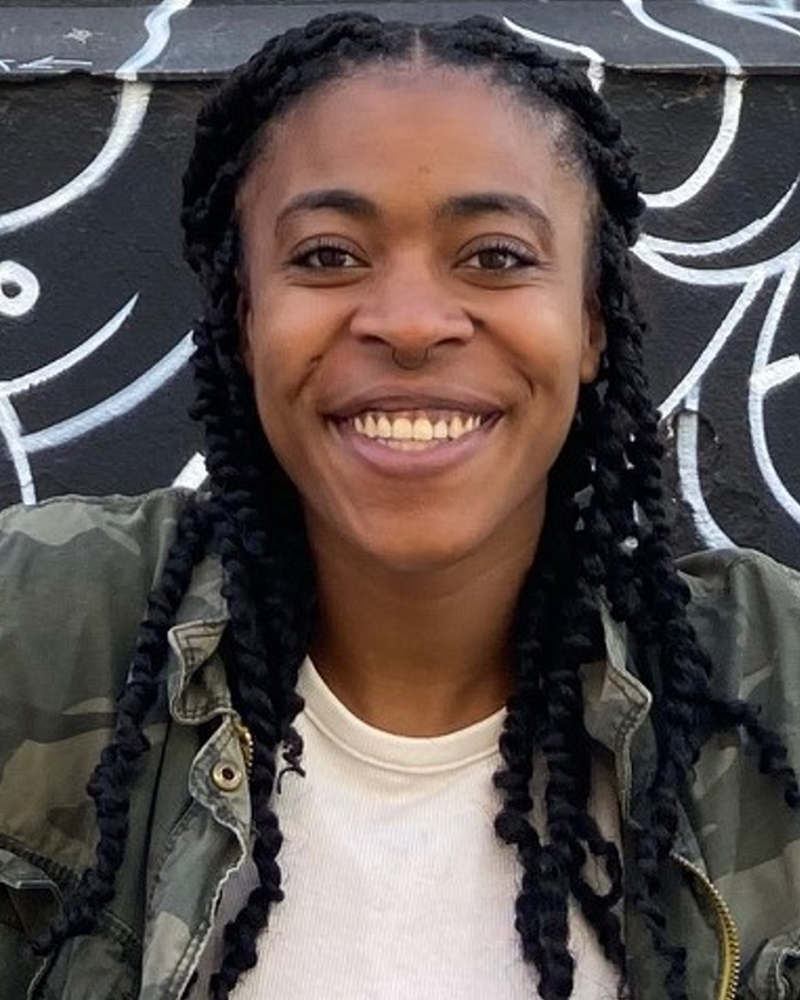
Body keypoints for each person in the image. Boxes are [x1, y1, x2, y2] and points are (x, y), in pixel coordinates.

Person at [1, 11, 799, 1000]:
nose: (412, 323)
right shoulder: (39, 632)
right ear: (244, 318)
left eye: (496, 256)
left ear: (589, 324)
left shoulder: (773, 681)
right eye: (328, 256)